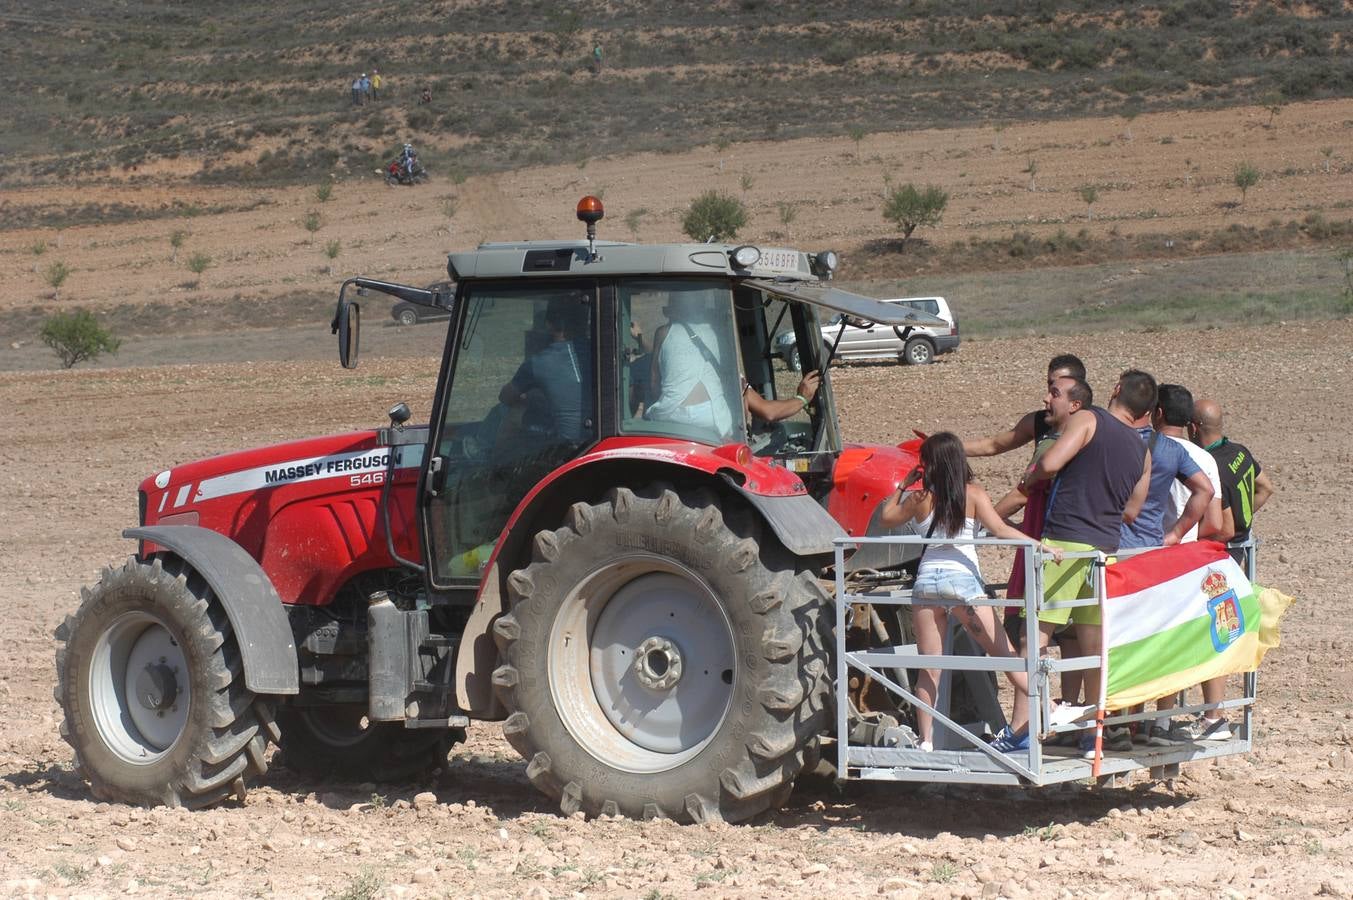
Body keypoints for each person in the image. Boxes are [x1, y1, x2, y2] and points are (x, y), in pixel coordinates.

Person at [879, 433, 1063, 754]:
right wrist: (1041, 546)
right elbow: (1001, 530)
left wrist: (903, 485)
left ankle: (927, 741)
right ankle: (1049, 707)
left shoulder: (919, 498)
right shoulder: (974, 494)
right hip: (961, 583)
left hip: (926, 586)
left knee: (929, 668)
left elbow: (886, 516)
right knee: (1005, 655)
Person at [1027, 369, 1153, 757]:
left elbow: (1050, 465)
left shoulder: (1089, 419)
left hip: (1064, 541)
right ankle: (1093, 735)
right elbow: (1132, 510)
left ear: (1115, 391)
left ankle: (1029, 725)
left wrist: (1033, 473)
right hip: (1104, 551)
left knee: (1036, 636)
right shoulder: (1142, 451)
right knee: (1095, 647)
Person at [995, 375, 1091, 712]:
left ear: (1075, 404)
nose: (1045, 400)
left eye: (1053, 392)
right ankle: (1067, 709)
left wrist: (987, 519)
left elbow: (1023, 492)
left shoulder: (1053, 448)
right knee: (1073, 636)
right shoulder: (1089, 445)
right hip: (1067, 548)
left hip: (1045, 552)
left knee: (1027, 636)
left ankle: (1033, 720)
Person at [1184, 397, 1275, 742]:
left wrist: (1228, 526)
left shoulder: (1208, 464)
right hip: (1240, 552)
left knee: (1213, 630)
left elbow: (1219, 525)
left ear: (1193, 428)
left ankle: (1213, 715)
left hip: (1220, 557)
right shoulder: (1240, 452)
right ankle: (1213, 713)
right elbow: (1266, 487)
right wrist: (1244, 521)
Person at [498, 297, 593, 445]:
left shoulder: (538, 362)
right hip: (595, 439)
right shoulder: (599, 353)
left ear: (548, 324)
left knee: (512, 412)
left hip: (564, 446)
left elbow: (505, 397)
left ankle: (488, 453)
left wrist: (529, 399)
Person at [641, 294, 737, 438]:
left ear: (673, 310)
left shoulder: (662, 332)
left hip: (672, 414)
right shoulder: (714, 332)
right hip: (712, 416)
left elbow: (654, 381)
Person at [963, 354, 1087, 459]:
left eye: (1059, 384)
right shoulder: (1040, 421)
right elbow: (993, 445)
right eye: (1050, 383)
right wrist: (947, 447)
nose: (1051, 390)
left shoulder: (1096, 423)